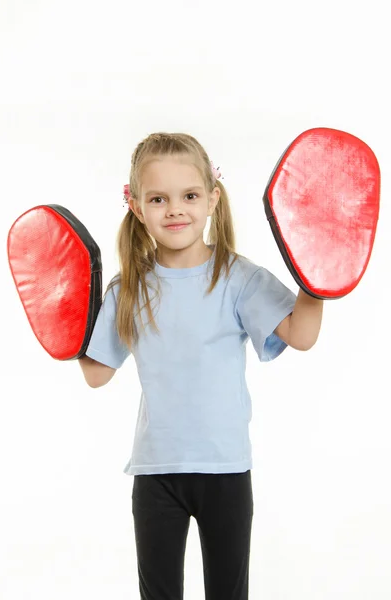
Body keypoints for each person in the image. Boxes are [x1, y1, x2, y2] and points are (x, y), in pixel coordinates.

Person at [78, 132, 323, 600]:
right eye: (158, 198)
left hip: (226, 470)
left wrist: (317, 277)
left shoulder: (237, 277)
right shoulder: (127, 287)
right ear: (135, 205)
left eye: (189, 196)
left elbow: (302, 335)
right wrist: (65, 320)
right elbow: (95, 373)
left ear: (212, 199)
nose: (175, 209)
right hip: (156, 472)